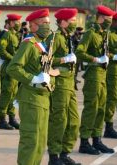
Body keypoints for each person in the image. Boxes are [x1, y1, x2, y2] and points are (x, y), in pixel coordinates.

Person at [7, 8, 53, 165]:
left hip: (43, 98)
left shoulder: (42, 44)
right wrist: (33, 79)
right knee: (31, 140)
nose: (47, 26)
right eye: (43, 23)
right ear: (33, 26)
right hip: (31, 98)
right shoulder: (28, 44)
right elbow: (12, 68)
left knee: (40, 142)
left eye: (48, 23)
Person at [76, 5, 115, 155]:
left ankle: (97, 139)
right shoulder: (91, 34)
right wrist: (95, 59)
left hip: (102, 75)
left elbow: (106, 53)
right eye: (109, 19)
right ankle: (85, 142)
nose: (110, 22)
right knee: (91, 109)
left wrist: (109, 57)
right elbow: (80, 52)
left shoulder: (103, 34)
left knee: (101, 109)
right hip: (93, 75)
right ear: (101, 18)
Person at [46, 8, 81, 165]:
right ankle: (54, 156)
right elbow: (45, 60)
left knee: (73, 121)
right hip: (59, 83)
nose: (75, 23)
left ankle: (65, 153)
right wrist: (64, 59)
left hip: (69, 83)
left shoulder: (67, 37)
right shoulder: (56, 38)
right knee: (59, 120)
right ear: (64, 22)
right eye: (73, 20)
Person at [0, 13, 22, 130]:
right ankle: (2, 120)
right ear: (11, 23)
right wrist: (13, 59)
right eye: (17, 22)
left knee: (13, 93)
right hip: (8, 68)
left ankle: (12, 118)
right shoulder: (7, 34)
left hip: (14, 68)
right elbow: (0, 49)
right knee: (7, 93)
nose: (19, 24)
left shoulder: (15, 35)